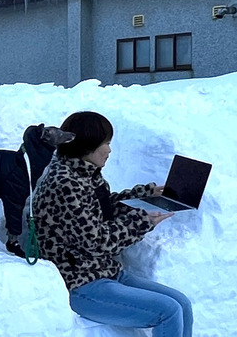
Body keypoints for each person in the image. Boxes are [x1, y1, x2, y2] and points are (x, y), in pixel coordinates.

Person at [30, 111, 193, 337]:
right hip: (80, 283)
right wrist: (141, 222)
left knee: (182, 304)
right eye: (105, 143)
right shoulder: (64, 183)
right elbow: (97, 241)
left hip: (103, 271)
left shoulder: (83, 172)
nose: (109, 149)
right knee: (169, 311)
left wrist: (144, 195)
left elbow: (100, 207)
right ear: (87, 145)